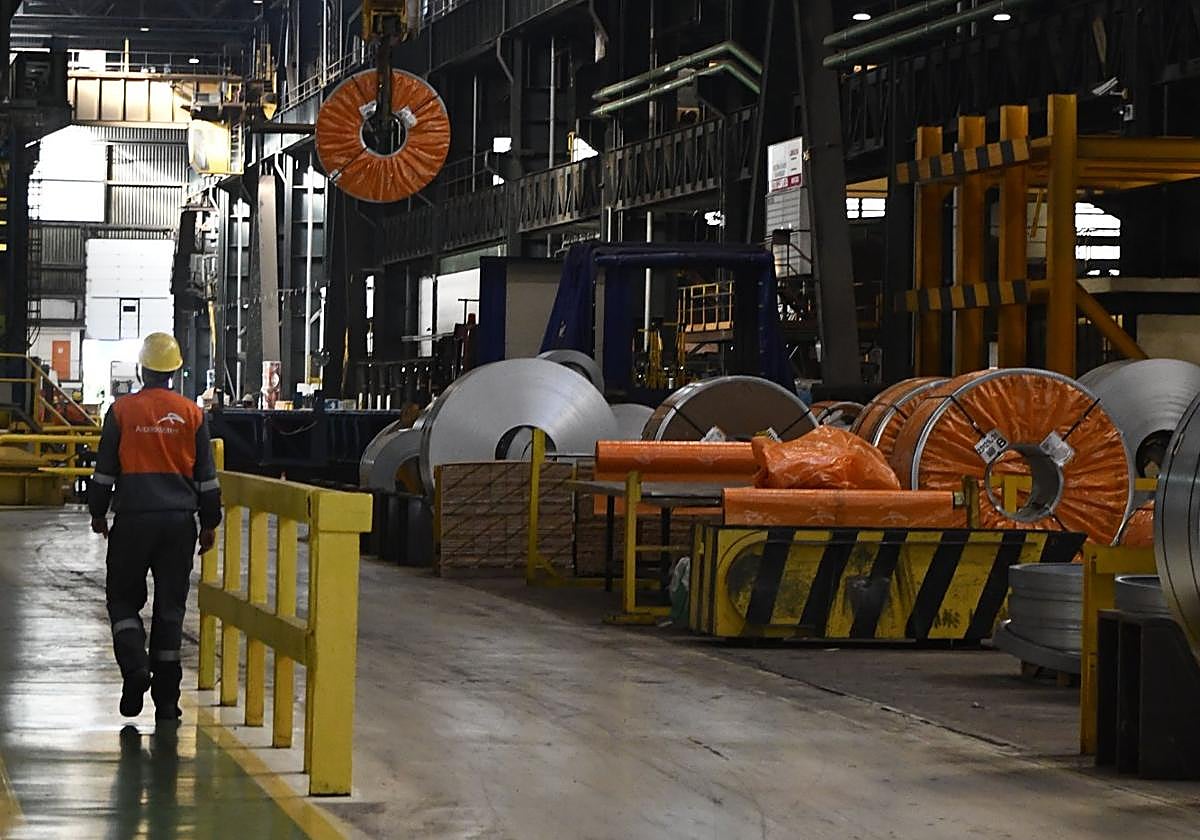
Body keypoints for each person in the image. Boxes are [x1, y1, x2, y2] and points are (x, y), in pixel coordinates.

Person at [88, 333, 222, 720]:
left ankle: (135, 669)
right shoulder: (193, 415)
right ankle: (166, 701)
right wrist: (209, 522)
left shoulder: (121, 412)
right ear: (175, 371)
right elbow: (207, 478)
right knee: (170, 609)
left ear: (143, 370)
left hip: (132, 520)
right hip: (179, 525)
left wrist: (99, 512)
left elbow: (103, 473)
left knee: (122, 600)